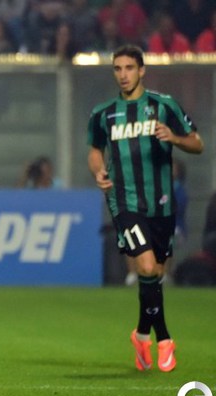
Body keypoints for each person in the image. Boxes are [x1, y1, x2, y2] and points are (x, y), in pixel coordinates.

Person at [87, 45, 204, 373]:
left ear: (142, 71)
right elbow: (95, 150)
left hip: (162, 204)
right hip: (125, 202)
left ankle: (141, 334)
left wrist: (175, 138)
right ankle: (164, 338)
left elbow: (197, 143)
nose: (123, 74)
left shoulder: (163, 105)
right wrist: (98, 170)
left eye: (129, 68)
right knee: (148, 266)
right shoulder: (104, 113)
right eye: (117, 68)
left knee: (155, 274)